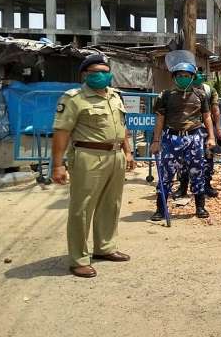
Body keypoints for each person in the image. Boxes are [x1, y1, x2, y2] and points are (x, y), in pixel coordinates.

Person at [51, 54, 136, 278]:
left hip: (115, 155)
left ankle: (105, 247)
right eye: (95, 72)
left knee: (111, 203)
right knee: (82, 208)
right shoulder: (74, 98)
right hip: (88, 156)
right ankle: (78, 258)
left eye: (104, 71)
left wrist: (128, 152)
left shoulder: (115, 96)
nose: (100, 76)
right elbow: (61, 132)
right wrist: (58, 166)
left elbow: (122, 126)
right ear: (85, 75)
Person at [150, 59, 216, 221]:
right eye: (180, 75)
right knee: (166, 174)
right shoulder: (165, 96)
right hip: (171, 138)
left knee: (197, 171)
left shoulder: (200, 95)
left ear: (192, 77)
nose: (183, 78)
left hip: (194, 137)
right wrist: (156, 141)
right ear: (174, 77)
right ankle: (160, 208)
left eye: (187, 75)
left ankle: (200, 206)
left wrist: (211, 136)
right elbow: (159, 119)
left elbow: (207, 116)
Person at [173, 69, 221, 199]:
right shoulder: (180, 89)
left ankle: (206, 185)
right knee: (183, 159)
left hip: (205, 130)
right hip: (186, 131)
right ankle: (183, 187)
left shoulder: (209, 91)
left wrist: (217, 130)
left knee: (207, 158)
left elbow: (215, 110)